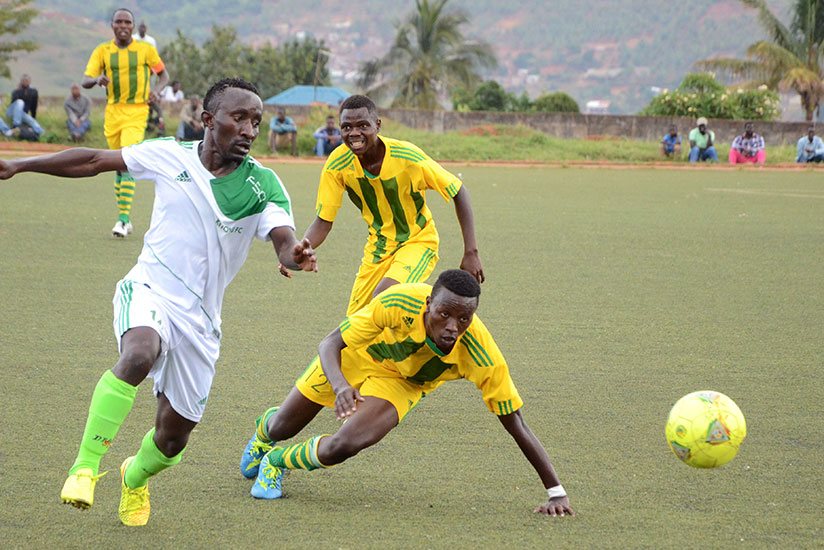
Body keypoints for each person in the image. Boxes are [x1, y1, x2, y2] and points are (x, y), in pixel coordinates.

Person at [0, 77, 318, 527]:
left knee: (172, 441)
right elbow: (93, 160)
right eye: (239, 118)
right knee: (139, 354)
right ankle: (84, 467)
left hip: (202, 321)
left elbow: (284, 239)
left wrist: (296, 256)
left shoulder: (263, 184)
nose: (249, 129)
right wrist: (20, 166)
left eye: (256, 121)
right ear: (209, 120)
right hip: (149, 287)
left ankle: (134, 476)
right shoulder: (169, 154)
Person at [240, 269, 574, 518]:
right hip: (356, 356)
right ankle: (263, 434)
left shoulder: (482, 354)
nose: (452, 327)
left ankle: (277, 461)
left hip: (402, 384)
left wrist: (556, 492)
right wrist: (342, 385)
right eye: (444, 314)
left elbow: (516, 423)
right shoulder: (399, 301)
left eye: (464, 318)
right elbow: (330, 343)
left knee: (345, 445)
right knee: (282, 426)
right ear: (429, 304)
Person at [301, 94, 484, 316]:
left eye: (363, 126)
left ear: (377, 126)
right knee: (355, 323)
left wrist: (471, 252)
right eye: (347, 127)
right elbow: (323, 221)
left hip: (417, 242)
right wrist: (301, 248)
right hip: (377, 249)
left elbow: (457, 190)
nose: (354, 133)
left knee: (382, 300)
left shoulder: (407, 158)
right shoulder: (337, 164)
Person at [83, 8, 169, 238]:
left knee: (127, 161)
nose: (123, 25)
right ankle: (126, 219)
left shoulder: (146, 50)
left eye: (127, 22)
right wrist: (96, 80)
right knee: (116, 164)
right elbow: (85, 81)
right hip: (113, 112)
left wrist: (157, 91)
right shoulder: (103, 51)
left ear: (133, 26)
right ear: (112, 25)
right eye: (118, 21)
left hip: (137, 111)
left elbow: (164, 75)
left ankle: (122, 220)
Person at [6, 74, 44, 139]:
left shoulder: (33, 92)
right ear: (21, 82)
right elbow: (13, 103)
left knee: (32, 121)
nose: (26, 82)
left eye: (27, 80)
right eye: (24, 80)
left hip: (22, 113)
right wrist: (18, 90)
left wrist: (33, 116)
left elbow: (34, 106)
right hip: (12, 112)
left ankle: (42, 134)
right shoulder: (16, 91)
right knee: (20, 102)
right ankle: (16, 125)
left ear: (30, 81)